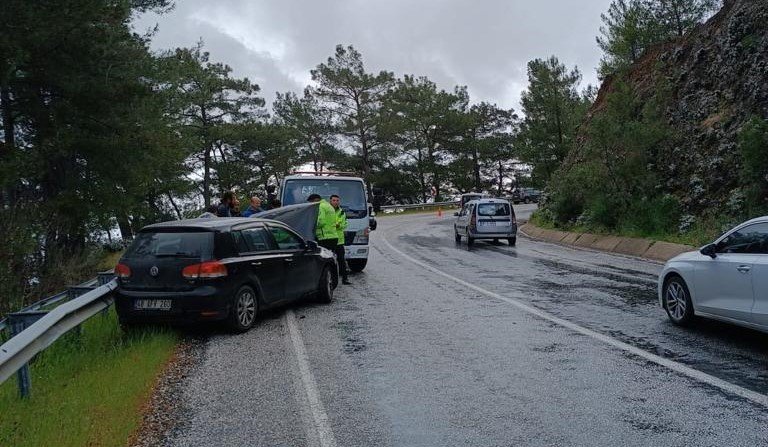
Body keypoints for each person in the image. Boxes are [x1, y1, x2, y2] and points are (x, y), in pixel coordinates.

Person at [330, 194, 351, 285]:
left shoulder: (342, 212)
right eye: (334, 200)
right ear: (330, 201)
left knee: (341, 260)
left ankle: (345, 279)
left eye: (337, 200)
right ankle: (330, 279)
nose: (336, 202)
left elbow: (344, 224)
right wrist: (335, 224)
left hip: (339, 240)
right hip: (329, 239)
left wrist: (338, 225)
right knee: (329, 260)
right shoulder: (327, 210)